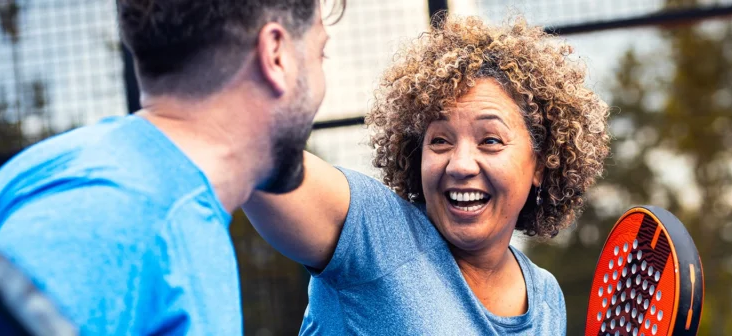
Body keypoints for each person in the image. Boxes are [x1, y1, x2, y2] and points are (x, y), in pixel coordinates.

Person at [0, 0, 343, 334]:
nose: (322, 81)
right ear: (276, 54)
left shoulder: (128, 188)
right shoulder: (113, 219)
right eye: (319, 55)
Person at [244, 14, 611, 334]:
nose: (461, 164)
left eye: (490, 140)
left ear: (542, 163)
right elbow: (254, 153)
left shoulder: (546, 298)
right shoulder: (374, 234)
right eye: (440, 141)